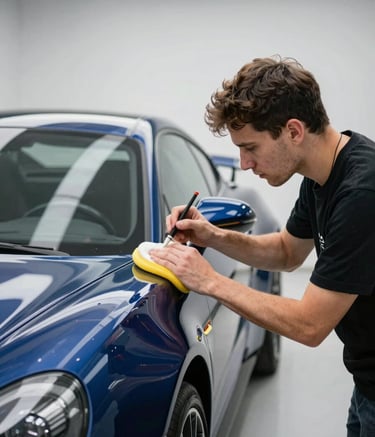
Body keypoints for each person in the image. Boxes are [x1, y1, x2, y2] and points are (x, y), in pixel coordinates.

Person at [150, 56, 375, 436]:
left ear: (293, 131)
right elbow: (288, 252)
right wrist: (212, 236)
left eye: (250, 147)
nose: (244, 163)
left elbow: (310, 325)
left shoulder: (362, 194)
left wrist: (209, 281)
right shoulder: (323, 174)